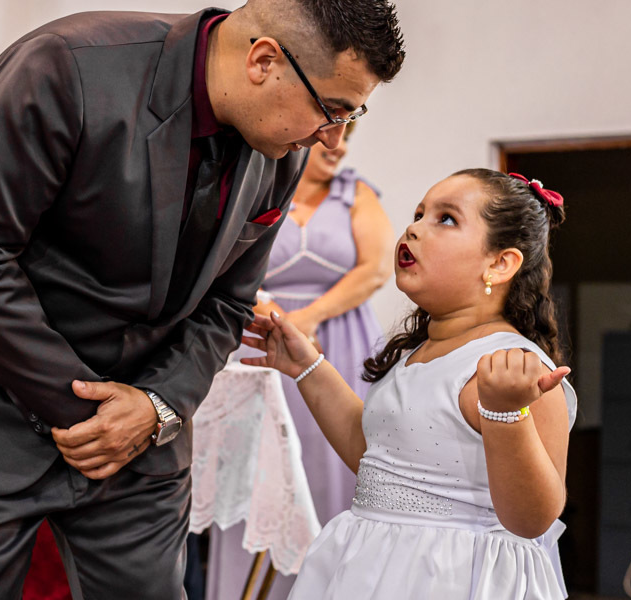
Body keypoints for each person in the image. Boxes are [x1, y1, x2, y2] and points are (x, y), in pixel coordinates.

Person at [0, 1, 405, 598]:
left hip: (140, 421)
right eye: (332, 110)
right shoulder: (67, 68)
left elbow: (229, 303)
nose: (334, 138)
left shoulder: (283, 149)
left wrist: (157, 405)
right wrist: (92, 412)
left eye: (351, 114)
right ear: (264, 61)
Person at [243, 169, 577, 599]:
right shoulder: (416, 353)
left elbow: (533, 519)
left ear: (499, 264)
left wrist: (506, 413)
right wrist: (308, 367)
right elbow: (373, 456)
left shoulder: (513, 368)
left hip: (450, 577)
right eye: (419, 214)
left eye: (446, 219)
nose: (414, 228)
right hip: (371, 564)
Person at [207, 123, 393, 599]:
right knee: (259, 466)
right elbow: (222, 260)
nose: (340, 146)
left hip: (342, 343)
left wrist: (305, 320)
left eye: (351, 134)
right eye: (333, 132)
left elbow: (374, 269)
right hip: (263, 335)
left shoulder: (355, 193)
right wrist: (265, 310)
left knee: (340, 458)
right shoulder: (256, 189)